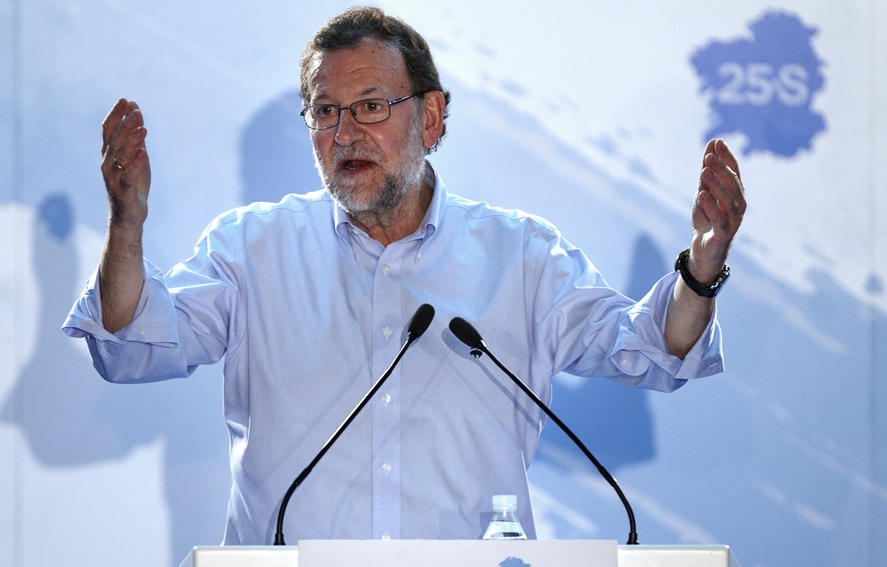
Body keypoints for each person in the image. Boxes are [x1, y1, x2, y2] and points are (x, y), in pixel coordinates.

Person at [63, 6, 745, 545]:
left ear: (432, 116)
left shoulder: (522, 256)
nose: (345, 133)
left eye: (370, 106)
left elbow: (652, 347)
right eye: (325, 112)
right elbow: (132, 344)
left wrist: (703, 267)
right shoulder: (252, 248)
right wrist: (126, 223)